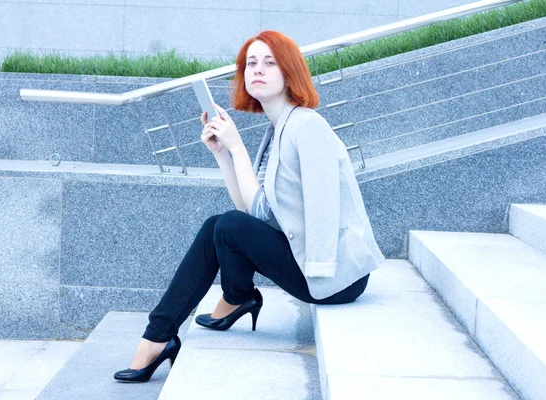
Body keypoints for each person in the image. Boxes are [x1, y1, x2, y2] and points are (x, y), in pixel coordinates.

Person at [113, 30, 385, 383]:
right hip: (310, 261)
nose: (257, 69)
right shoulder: (277, 129)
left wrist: (238, 147)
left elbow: (323, 207)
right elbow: (252, 212)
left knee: (225, 225)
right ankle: (167, 331)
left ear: (290, 73)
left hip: (336, 276)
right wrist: (224, 154)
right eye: (250, 63)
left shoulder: (308, 126)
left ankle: (213, 309)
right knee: (219, 225)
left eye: (270, 62)